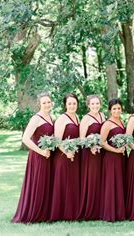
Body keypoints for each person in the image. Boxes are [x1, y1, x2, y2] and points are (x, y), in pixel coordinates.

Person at [12, 92, 54, 223]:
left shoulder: (51, 118)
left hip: (49, 156)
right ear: (39, 104)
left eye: (48, 102)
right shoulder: (36, 118)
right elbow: (25, 138)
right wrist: (41, 152)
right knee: (38, 183)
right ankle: (35, 213)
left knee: (47, 183)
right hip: (38, 157)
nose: (47, 104)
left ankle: (45, 213)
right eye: (44, 103)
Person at [50, 93, 81, 221]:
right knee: (64, 183)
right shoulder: (62, 118)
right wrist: (67, 152)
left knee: (73, 183)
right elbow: (57, 140)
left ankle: (73, 211)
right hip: (63, 156)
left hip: (75, 154)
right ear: (65, 105)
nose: (72, 106)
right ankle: (62, 213)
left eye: (74, 103)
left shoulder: (77, 117)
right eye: (69, 104)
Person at [79, 95, 106, 220]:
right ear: (88, 105)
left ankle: (100, 209)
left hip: (101, 152)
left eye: (97, 103)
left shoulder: (103, 116)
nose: (95, 106)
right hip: (90, 153)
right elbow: (82, 138)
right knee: (92, 179)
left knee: (101, 179)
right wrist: (91, 146)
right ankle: (90, 210)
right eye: (93, 104)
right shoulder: (86, 118)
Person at [100, 98, 127, 222]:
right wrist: (116, 150)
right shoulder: (107, 124)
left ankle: (120, 212)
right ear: (110, 110)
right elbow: (102, 142)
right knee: (112, 184)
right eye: (114, 109)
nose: (117, 111)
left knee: (120, 183)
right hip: (111, 158)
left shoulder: (122, 121)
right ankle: (110, 214)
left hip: (121, 157)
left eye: (119, 108)